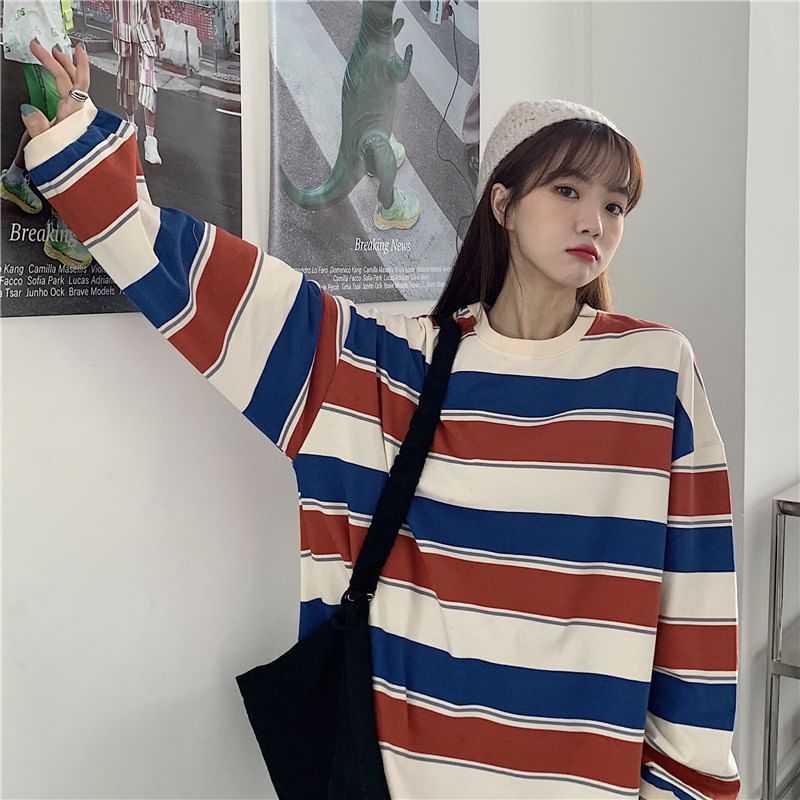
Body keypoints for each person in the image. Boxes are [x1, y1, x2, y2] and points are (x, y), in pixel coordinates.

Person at [20, 40, 741, 799]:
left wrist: (687, 786)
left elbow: (696, 603)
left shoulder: (653, 372)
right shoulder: (392, 370)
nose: (594, 219)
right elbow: (204, 283)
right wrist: (78, 144)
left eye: (615, 204)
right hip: (406, 777)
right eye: (568, 190)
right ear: (502, 204)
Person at [1, 0, 93, 268]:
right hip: (38, 38)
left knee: (49, 123)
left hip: (49, 36)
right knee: (61, 132)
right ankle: (62, 228)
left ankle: (14, 179)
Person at [111, 0, 165, 165]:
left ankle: (150, 139)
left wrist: (160, 32)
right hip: (124, 38)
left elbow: (154, 5)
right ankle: (131, 127)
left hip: (145, 36)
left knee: (148, 85)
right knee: (127, 85)